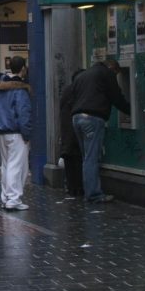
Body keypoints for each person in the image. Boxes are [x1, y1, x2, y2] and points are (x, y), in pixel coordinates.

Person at [70, 59, 130, 203]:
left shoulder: (82, 76)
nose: (115, 77)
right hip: (92, 119)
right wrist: (132, 111)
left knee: (86, 157)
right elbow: (116, 97)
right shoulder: (106, 73)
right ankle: (94, 195)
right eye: (116, 74)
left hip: (76, 118)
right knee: (91, 158)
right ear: (112, 68)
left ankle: (89, 191)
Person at [0, 56, 34, 211]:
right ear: (23, 69)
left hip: (1, 131)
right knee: (17, 165)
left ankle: (6, 197)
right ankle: (13, 199)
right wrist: (27, 133)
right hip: (16, 132)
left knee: (6, 166)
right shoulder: (20, 89)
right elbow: (24, 113)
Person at [58, 69, 85, 197]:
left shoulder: (66, 91)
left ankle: (71, 187)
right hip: (74, 131)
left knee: (69, 159)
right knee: (78, 160)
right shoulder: (78, 92)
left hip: (66, 131)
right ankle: (78, 187)